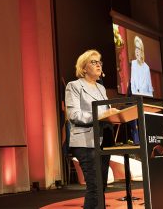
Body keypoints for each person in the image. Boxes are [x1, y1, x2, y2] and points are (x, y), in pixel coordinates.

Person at [65, 49, 113, 209]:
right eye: (94, 62)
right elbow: (74, 114)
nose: (98, 64)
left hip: (104, 140)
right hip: (85, 142)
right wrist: (102, 114)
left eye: (99, 62)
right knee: (95, 187)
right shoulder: (74, 86)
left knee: (101, 187)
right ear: (84, 67)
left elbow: (107, 113)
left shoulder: (101, 88)